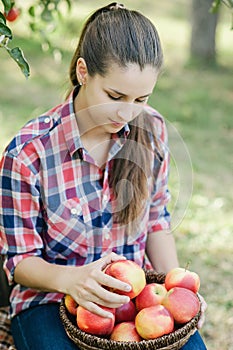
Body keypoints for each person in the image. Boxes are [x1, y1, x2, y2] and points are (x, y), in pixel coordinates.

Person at [0, 3, 207, 349]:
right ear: (83, 71)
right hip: (50, 302)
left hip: (134, 301)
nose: (128, 113)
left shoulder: (152, 129)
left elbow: (156, 221)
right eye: (115, 96)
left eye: (141, 98)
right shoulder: (28, 153)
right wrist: (73, 280)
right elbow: (19, 262)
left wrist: (174, 292)